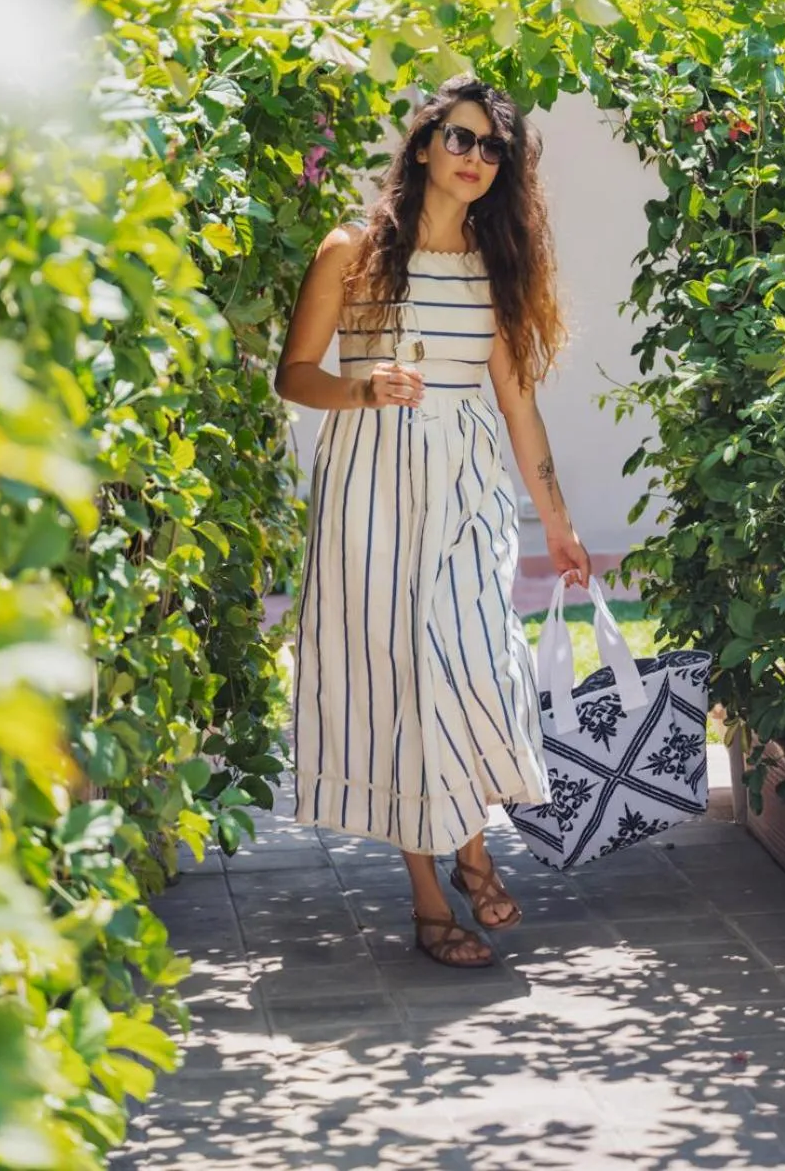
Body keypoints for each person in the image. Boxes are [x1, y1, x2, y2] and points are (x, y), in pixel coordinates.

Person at [275, 73, 591, 968]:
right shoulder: (353, 250)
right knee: (402, 677)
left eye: (494, 149)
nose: (476, 160)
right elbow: (294, 375)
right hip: (371, 481)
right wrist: (363, 388)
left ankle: (465, 852)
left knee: (475, 660)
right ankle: (443, 881)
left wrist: (557, 523)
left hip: (465, 488)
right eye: (460, 139)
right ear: (421, 145)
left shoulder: (494, 270)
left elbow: (520, 407)